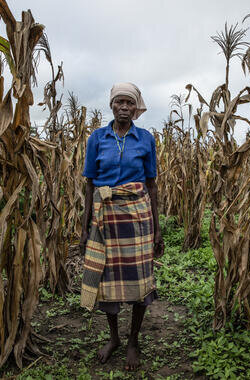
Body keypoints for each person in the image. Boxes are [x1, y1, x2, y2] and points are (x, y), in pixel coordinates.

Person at [79, 82, 164, 371]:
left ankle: (133, 341)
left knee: (140, 282)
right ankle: (114, 338)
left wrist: (157, 227)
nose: (124, 108)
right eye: (119, 103)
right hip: (105, 217)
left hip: (138, 216)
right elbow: (90, 185)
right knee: (107, 283)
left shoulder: (145, 139)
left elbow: (151, 185)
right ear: (112, 105)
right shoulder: (97, 138)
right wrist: (84, 227)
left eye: (129, 103)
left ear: (136, 107)